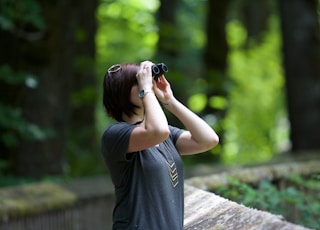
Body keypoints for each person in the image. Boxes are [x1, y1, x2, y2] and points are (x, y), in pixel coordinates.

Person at [101, 60, 219, 229]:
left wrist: (169, 100)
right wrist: (147, 90)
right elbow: (157, 131)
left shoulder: (165, 134)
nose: (147, 82)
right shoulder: (114, 135)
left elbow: (208, 140)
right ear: (122, 92)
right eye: (139, 81)